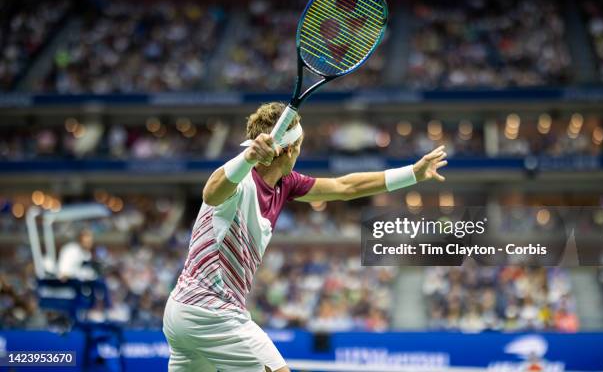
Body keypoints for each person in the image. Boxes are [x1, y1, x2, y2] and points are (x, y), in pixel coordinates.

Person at [163, 102, 448, 372]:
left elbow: (344, 186)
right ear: (288, 150)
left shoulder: (285, 183)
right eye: (299, 147)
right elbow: (211, 193)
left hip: (180, 313)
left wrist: (412, 173)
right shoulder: (241, 181)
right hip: (210, 312)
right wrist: (247, 157)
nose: (300, 153)